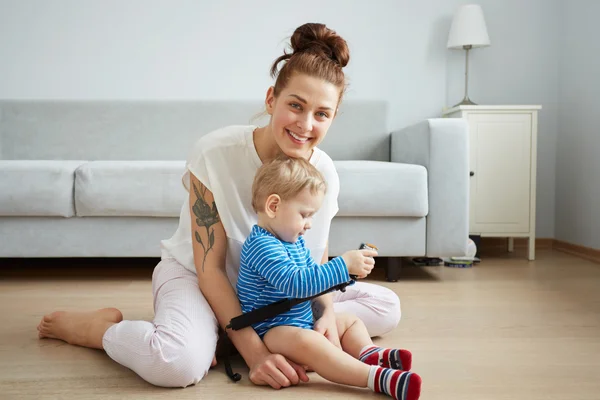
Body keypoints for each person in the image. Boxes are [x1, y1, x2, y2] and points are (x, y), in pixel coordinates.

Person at [37, 22, 401, 389]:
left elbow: (315, 258)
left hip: (274, 290)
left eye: (322, 114)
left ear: (333, 118)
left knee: (387, 308)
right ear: (271, 99)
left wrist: (322, 318)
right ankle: (101, 330)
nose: (306, 125)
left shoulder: (323, 171)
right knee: (176, 365)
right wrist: (257, 354)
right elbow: (209, 267)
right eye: (295, 105)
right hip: (198, 278)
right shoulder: (215, 152)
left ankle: (222, 334)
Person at [236, 156, 421, 400]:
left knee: (349, 321)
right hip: (273, 330)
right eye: (304, 214)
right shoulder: (262, 246)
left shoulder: (293, 241)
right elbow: (298, 283)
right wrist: (341, 264)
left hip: (300, 319)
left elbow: (314, 278)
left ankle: (368, 352)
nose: (309, 224)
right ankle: (373, 377)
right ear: (273, 207)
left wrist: (347, 276)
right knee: (309, 342)